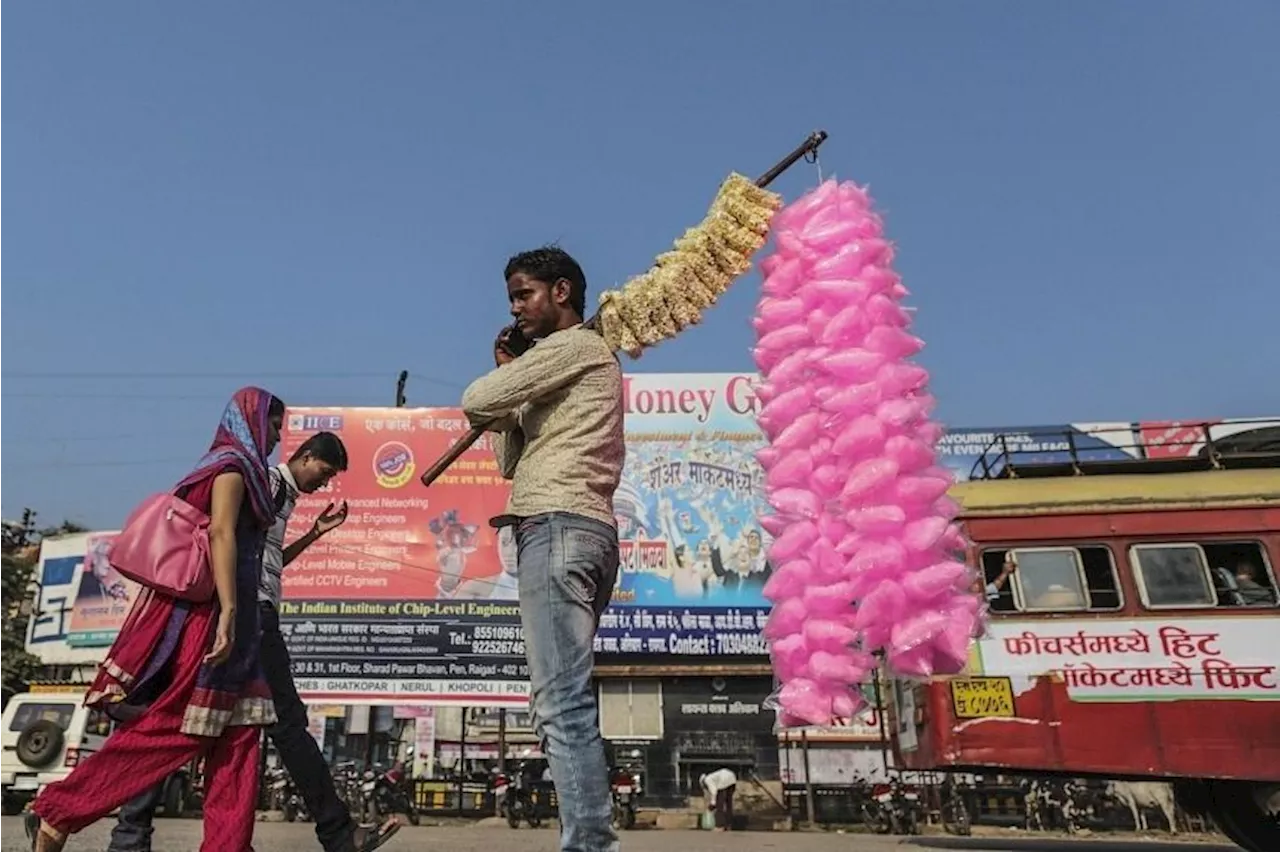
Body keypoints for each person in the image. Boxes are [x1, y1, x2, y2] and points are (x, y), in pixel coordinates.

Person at [106, 432, 400, 852]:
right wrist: (230, 611)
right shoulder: (265, 482)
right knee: (282, 727)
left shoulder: (280, 495)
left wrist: (315, 534)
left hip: (243, 615)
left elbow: (265, 559)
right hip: (246, 619)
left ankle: (130, 836)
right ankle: (337, 833)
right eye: (326, 471)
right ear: (307, 457)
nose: (327, 482)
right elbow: (223, 538)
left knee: (183, 724)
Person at [28, 388, 285, 852]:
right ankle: (58, 810)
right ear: (252, 420)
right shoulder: (229, 467)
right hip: (212, 621)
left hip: (242, 625)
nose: (277, 438)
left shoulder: (251, 475)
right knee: (178, 729)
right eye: (274, 426)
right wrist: (228, 611)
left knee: (240, 740)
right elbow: (223, 533)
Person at [460, 245, 624, 852]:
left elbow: (477, 400)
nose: (516, 308)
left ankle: (590, 844)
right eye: (511, 298)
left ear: (561, 292)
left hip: (559, 528)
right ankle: (586, 837)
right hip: (568, 530)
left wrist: (502, 375)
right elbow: (509, 458)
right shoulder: (557, 363)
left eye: (524, 294)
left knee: (560, 703)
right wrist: (512, 377)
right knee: (564, 698)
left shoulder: (576, 345)